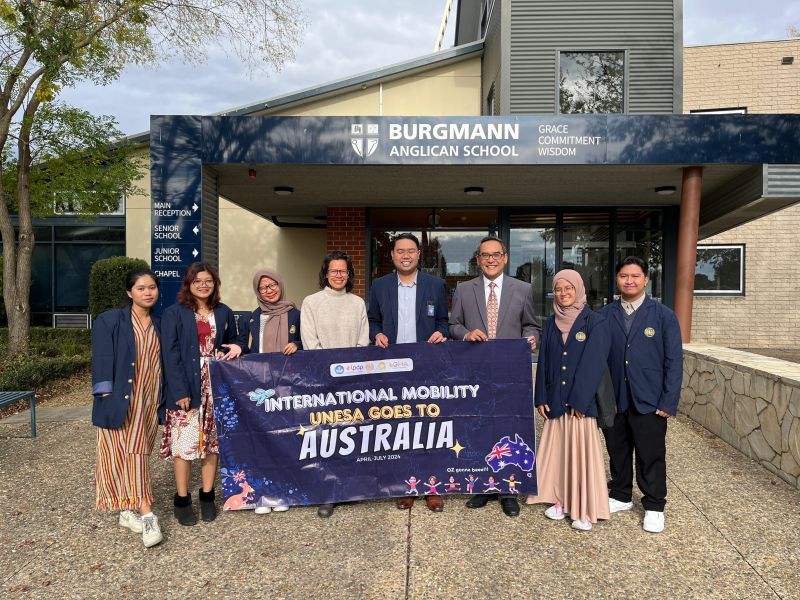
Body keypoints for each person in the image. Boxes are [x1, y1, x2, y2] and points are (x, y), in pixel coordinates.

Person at [449, 235, 541, 518]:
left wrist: (531, 338)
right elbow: (453, 324)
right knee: (478, 426)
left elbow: (531, 325)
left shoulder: (523, 289)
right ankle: (481, 485)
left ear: (505, 257)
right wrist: (465, 334)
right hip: (474, 373)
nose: (490, 259)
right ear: (478, 259)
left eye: (495, 254)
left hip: (510, 375)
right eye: (484, 255)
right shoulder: (463, 290)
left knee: (508, 429)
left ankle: (508, 489)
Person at [599, 256, 682, 533]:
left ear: (645, 279)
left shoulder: (663, 316)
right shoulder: (604, 315)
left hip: (650, 400)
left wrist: (669, 400)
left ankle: (655, 505)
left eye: (635, 276)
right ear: (617, 279)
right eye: (624, 276)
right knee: (617, 451)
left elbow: (674, 361)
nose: (629, 281)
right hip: (615, 399)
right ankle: (621, 495)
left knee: (651, 454)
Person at [367, 233, 448, 512]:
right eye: (400, 251)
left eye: (411, 251)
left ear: (418, 255)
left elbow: (444, 322)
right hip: (392, 369)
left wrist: (441, 332)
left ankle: (433, 486)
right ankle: (406, 485)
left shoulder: (435, 285)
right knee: (400, 429)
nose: (405, 255)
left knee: (429, 427)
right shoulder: (379, 286)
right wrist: (376, 334)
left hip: (427, 369)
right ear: (392, 255)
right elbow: (373, 320)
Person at [525, 270, 611, 531]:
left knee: (580, 455)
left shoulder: (595, 322)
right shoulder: (551, 322)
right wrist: (541, 397)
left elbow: (594, 364)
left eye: (568, 288)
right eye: (558, 289)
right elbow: (546, 361)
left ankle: (583, 508)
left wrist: (580, 401)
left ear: (579, 289)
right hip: (556, 401)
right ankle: (561, 500)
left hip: (579, 406)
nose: (563, 294)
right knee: (560, 454)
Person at [159, 262, 242, 526]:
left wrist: (237, 347)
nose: (203, 285)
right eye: (198, 281)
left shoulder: (224, 311)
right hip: (187, 386)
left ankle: (207, 495)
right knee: (184, 443)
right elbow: (169, 355)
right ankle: (182, 499)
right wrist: (179, 390)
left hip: (217, 385)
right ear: (189, 284)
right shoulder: (175, 313)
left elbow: (236, 340)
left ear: (214, 284)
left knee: (212, 443)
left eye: (208, 281)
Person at [92, 268, 164, 548]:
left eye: (152, 287)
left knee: (136, 453)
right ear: (129, 292)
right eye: (141, 288)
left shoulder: (160, 323)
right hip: (122, 399)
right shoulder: (111, 320)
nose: (147, 292)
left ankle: (125, 510)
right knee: (126, 454)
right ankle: (147, 514)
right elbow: (102, 356)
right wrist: (105, 393)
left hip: (149, 400)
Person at [301, 250, 369, 517]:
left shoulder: (357, 303)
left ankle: (348, 488)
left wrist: (350, 373)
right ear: (325, 274)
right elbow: (310, 342)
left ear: (349, 274)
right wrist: (329, 373)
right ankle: (328, 493)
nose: (339, 275)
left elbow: (363, 342)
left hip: (352, 381)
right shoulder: (311, 302)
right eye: (334, 271)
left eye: (343, 271)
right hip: (323, 381)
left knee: (350, 435)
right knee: (326, 437)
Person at [241, 267, 301, 515]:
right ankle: (264, 492)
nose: (270, 290)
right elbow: (244, 346)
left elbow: (307, 342)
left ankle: (284, 490)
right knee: (263, 437)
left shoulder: (296, 314)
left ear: (280, 284)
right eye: (264, 287)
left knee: (286, 437)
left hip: (288, 384)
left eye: (273, 284)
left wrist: (296, 344)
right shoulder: (254, 318)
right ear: (258, 291)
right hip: (261, 385)